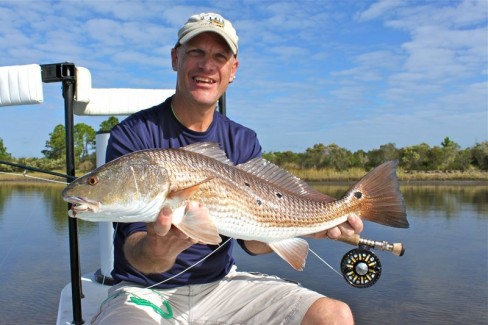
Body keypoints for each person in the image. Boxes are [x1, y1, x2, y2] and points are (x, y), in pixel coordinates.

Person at [91, 12, 363, 324]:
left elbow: (253, 242)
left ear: (232, 70)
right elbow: (135, 248)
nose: (207, 66)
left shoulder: (242, 139)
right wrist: (158, 247)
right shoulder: (133, 134)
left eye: (219, 56)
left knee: (334, 315)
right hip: (145, 291)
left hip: (221, 288)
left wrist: (309, 225)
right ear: (175, 58)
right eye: (196, 52)